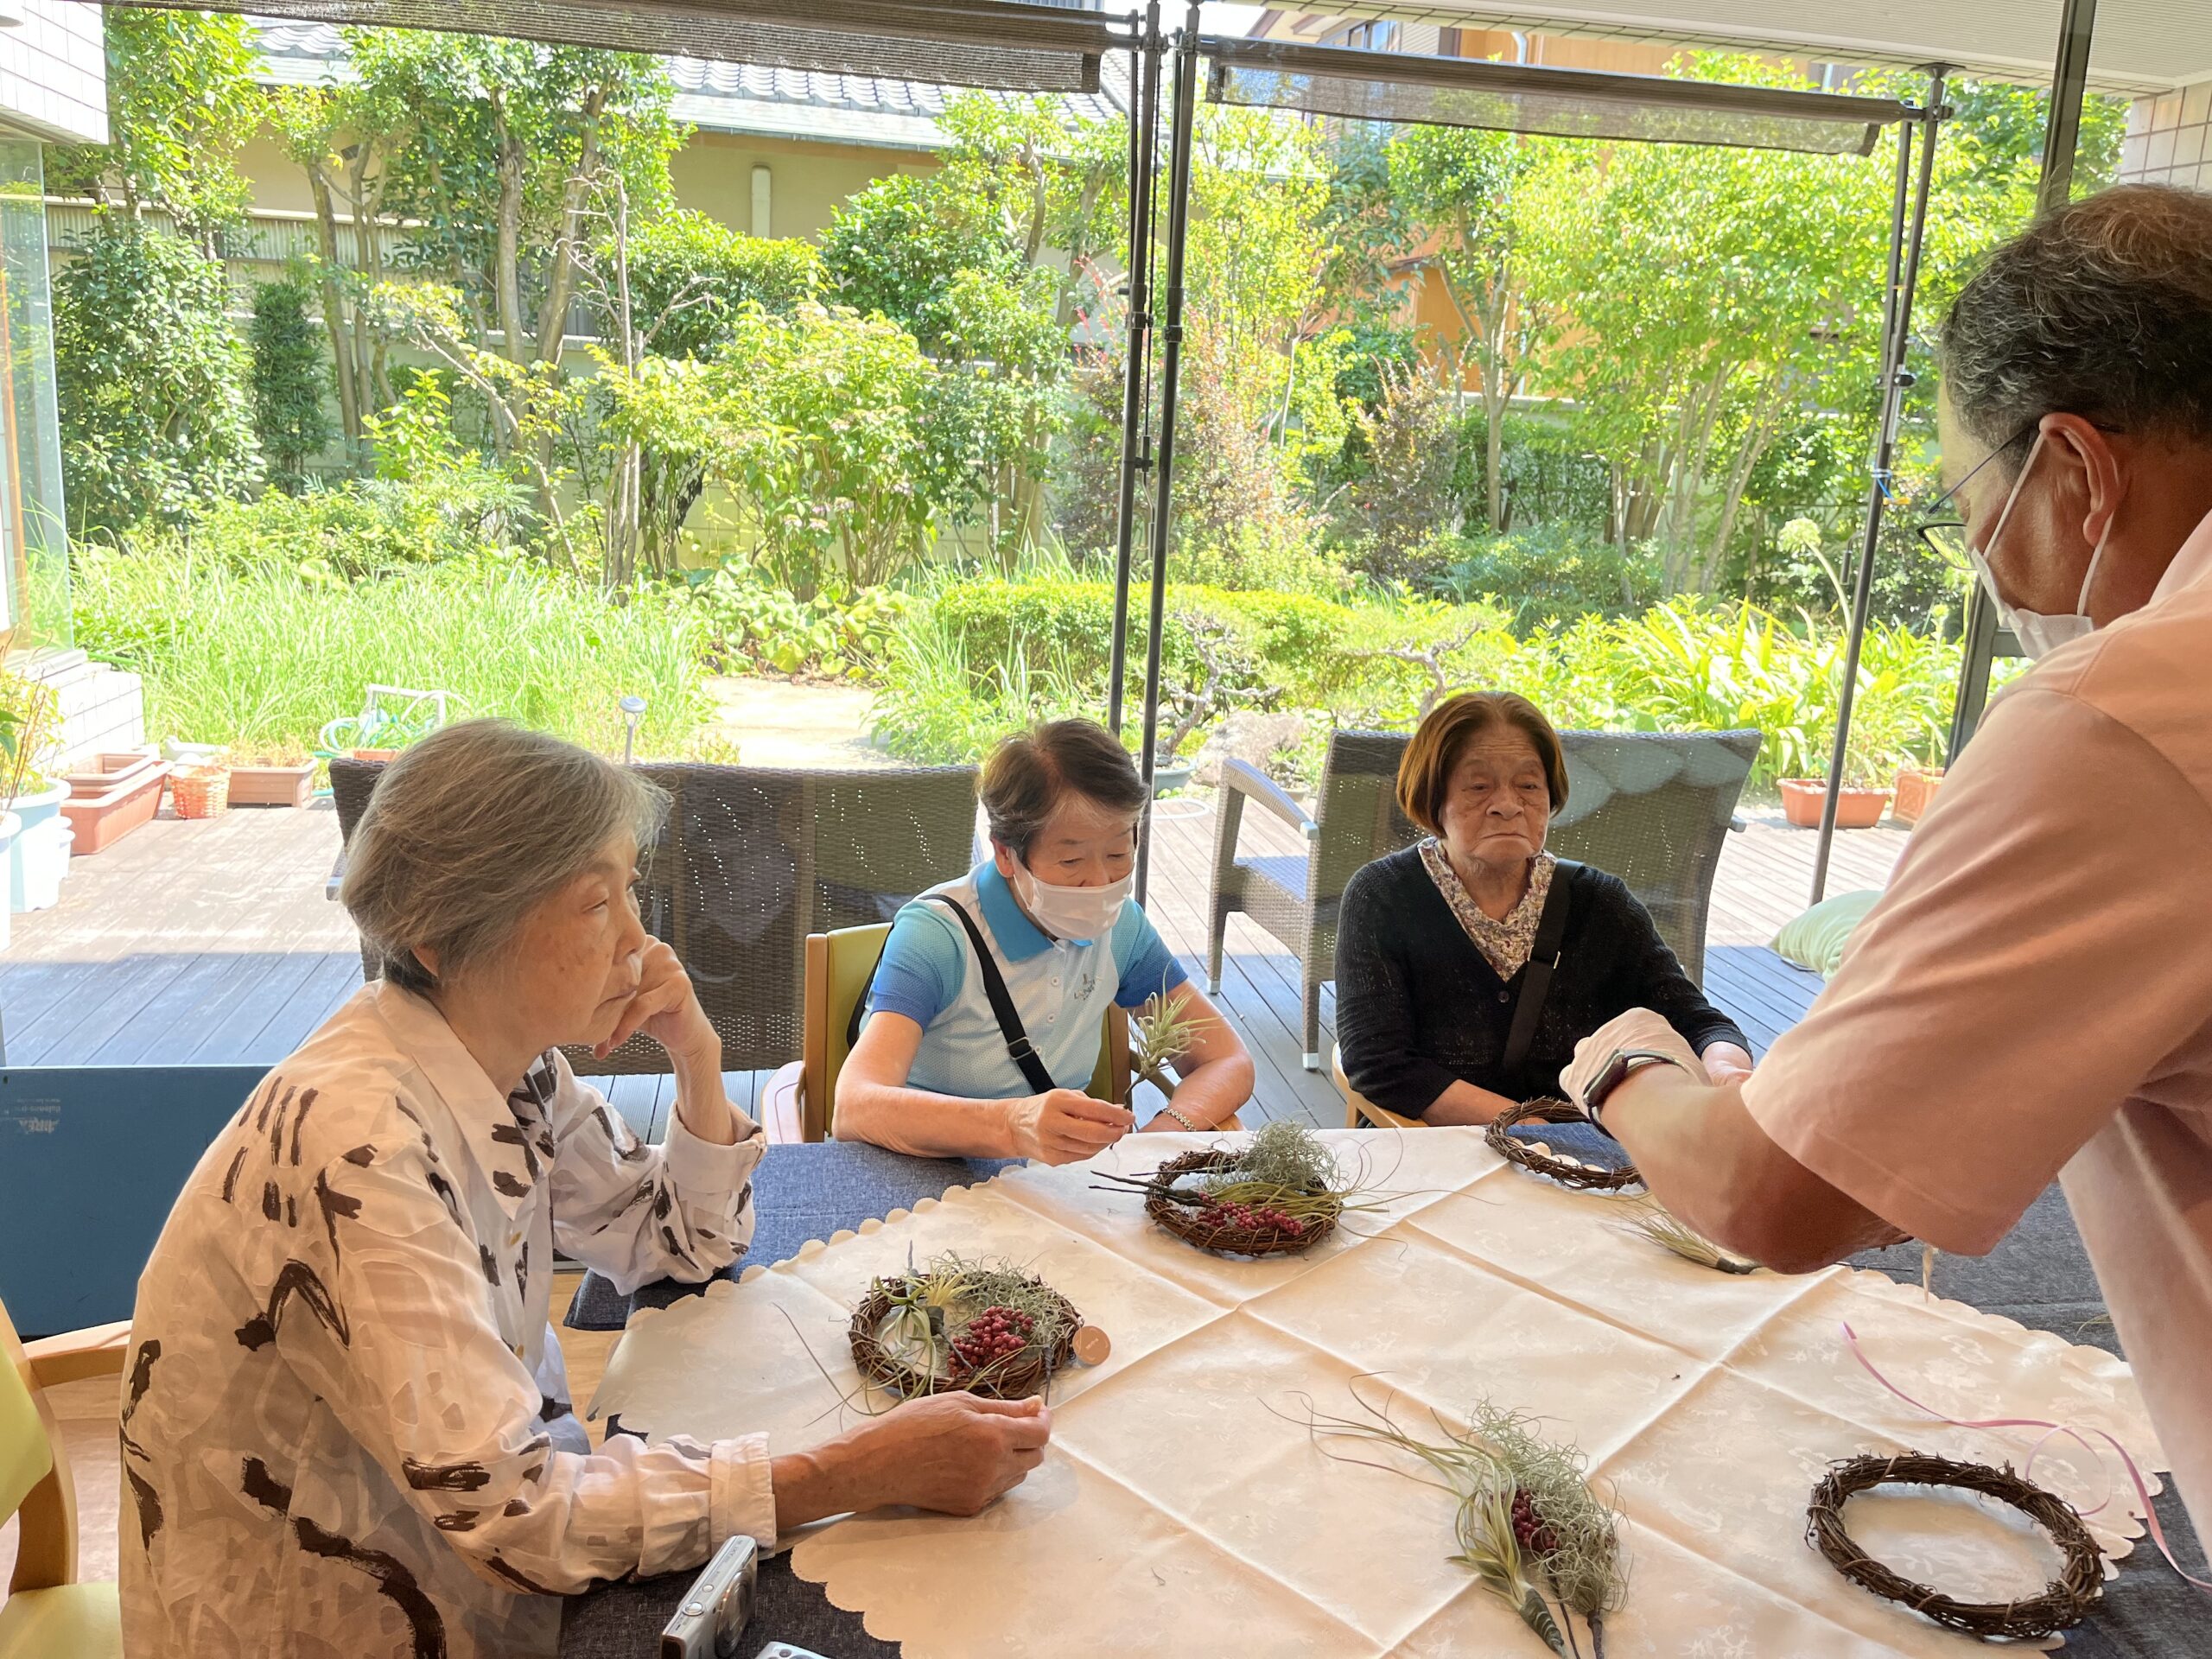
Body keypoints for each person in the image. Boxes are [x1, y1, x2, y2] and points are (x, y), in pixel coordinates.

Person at [1556, 184, 2212, 1540]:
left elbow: (1767, 1193)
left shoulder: (2130, 710)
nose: (1992, 569)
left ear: (2078, 471)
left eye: (1977, 510)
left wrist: (1626, 1067)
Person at [120, 721, 1050, 1659]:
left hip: (461, 1561)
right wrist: (847, 1472)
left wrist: (698, 1055)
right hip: (345, 1613)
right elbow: (517, 1519)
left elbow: (676, 1242)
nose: (640, 942)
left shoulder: (498, 1062)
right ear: (446, 936)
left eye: (630, 892)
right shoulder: (360, 1151)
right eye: (593, 904)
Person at [836, 718, 1253, 1160]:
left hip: (1049, 1180)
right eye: (1071, 860)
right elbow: (856, 1106)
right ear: (1005, 854)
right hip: (921, 1170)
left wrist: (1158, 1135)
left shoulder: (1123, 930)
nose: (1100, 882)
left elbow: (1227, 1060)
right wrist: (1013, 1125)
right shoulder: (939, 937)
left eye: (1118, 854)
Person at [1334, 691, 1751, 1125]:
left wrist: (1726, 1070)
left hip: (1578, 1169)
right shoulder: (1383, 897)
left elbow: (1698, 1021)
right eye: (1479, 787)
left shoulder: (1598, 903)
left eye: (1529, 785)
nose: (1508, 804)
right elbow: (1378, 1063)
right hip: (1427, 1151)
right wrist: (1528, 1125)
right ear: (1433, 798)